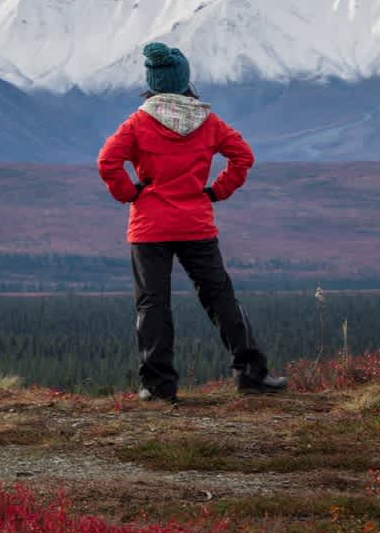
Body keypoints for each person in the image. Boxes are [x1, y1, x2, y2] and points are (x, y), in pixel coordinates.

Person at [97, 42, 288, 402]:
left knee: (152, 304)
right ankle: (252, 375)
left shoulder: (138, 123)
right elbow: (242, 157)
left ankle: (158, 387)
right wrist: (216, 191)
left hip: (150, 227)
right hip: (196, 223)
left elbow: (107, 161)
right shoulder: (208, 121)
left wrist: (129, 193)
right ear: (185, 80)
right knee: (220, 297)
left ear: (152, 82)